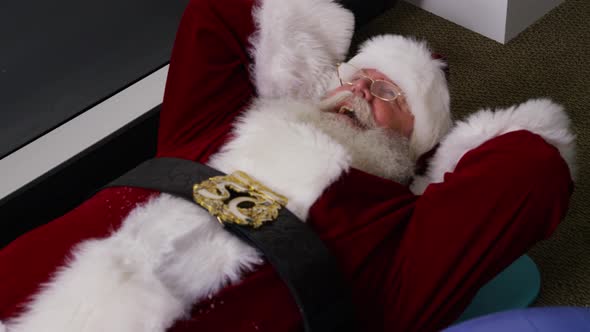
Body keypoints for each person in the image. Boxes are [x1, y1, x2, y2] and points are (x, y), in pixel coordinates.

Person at [0, 0, 575, 331]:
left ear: (413, 151)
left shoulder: (397, 233)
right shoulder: (208, 130)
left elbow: (532, 172)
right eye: (357, 78)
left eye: (389, 97)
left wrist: (447, 167)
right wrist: (294, 60)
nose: (358, 93)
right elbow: (219, 11)